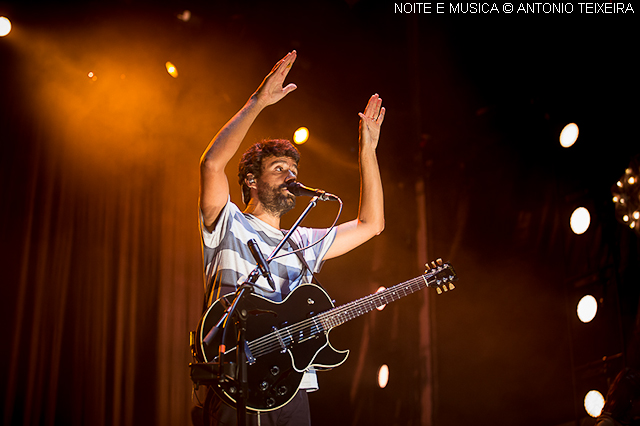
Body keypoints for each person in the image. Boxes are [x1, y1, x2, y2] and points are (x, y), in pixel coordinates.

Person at [196, 50, 385, 426]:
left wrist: (368, 150)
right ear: (251, 180)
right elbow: (211, 164)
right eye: (279, 168)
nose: (290, 176)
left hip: (292, 386)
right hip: (239, 383)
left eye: (293, 170)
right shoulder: (229, 221)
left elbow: (371, 224)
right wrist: (258, 102)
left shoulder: (303, 242)